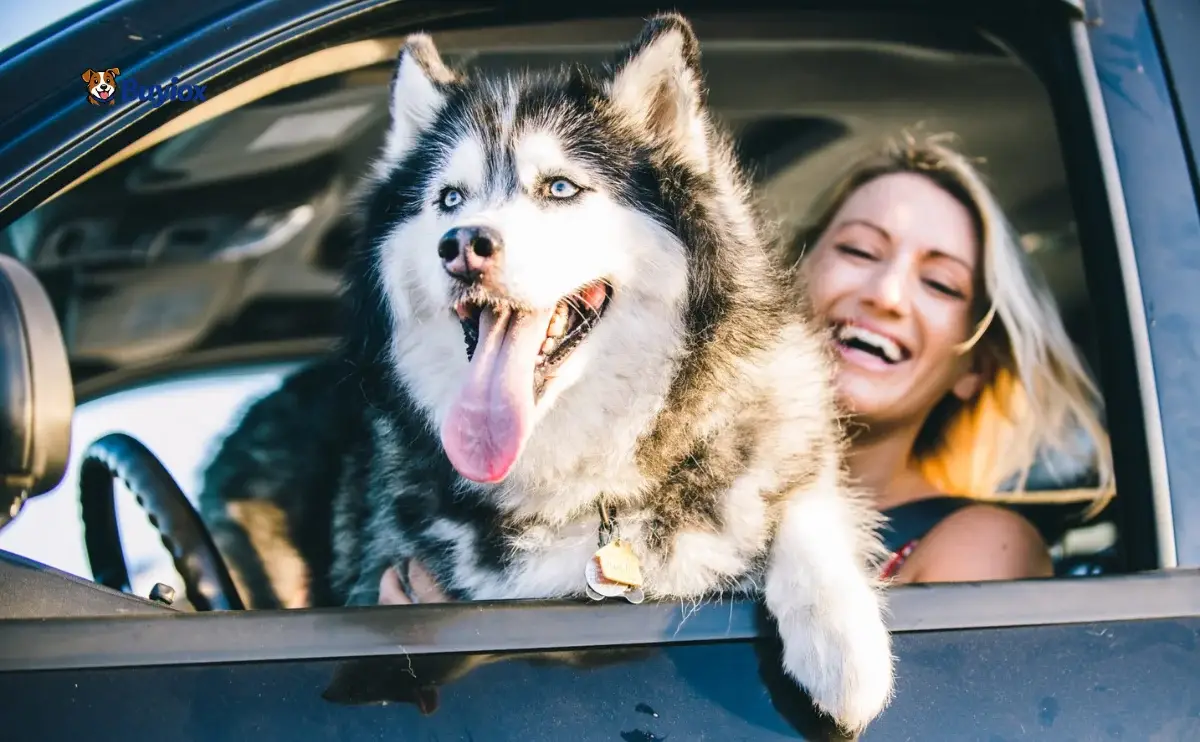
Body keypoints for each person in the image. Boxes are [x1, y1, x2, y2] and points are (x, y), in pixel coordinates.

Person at [379, 133, 1114, 603]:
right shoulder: (634, 509)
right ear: (785, 283)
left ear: (974, 367)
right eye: (859, 250)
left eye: (941, 283)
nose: (885, 294)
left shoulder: (979, 542)